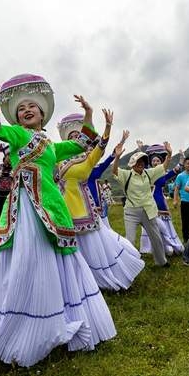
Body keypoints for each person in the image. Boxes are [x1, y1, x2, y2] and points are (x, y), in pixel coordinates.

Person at [0, 74, 116, 367]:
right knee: (29, 259)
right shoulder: (17, 135)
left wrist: (89, 114)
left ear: (43, 114)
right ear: (17, 117)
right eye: (21, 108)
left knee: (56, 262)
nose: (27, 110)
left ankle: (60, 316)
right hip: (26, 208)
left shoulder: (52, 146)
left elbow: (83, 143)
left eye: (33, 106)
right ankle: (25, 325)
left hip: (52, 208)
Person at [57, 108, 144, 291]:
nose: (74, 137)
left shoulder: (88, 159)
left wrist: (108, 126)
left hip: (83, 207)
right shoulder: (58, 159)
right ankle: (77, 280)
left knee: (91, 244)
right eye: (70, 135)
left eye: (77, 135)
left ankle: (99, 278)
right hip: (62, 206)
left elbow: (102, 147)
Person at [112, 141, 172, 267]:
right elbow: (115, 171)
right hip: (131, 211)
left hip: (148, 210)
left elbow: (163, 167)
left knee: (156, 237)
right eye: (138, 162)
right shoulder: (126, 174)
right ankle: (129, 264)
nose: (140, 164)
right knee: (130, 240)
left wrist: (169, 154)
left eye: (143, 162)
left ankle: (161, 261)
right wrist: (117, 157)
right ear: (132, 164)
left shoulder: (148, 173)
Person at [139, 144, 184, 256]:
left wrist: (181, 157)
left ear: (161, 162)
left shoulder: (163, 174)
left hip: (160, 203)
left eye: (158, 161)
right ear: (150, 163)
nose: (155, 162)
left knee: (164, 225)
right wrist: (140, 150)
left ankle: (168, 245)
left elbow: (177, 169)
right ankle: (149, 247)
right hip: (148, 203)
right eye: (153, 161)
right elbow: (140, 163)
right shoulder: (146, 173)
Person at [173, 157, 189, 243]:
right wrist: (175, 200)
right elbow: (176, 188)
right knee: (185, 221)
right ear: (184, 165)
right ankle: (186, 238)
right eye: (188, 163)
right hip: (185, 202)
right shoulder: (180, 176)